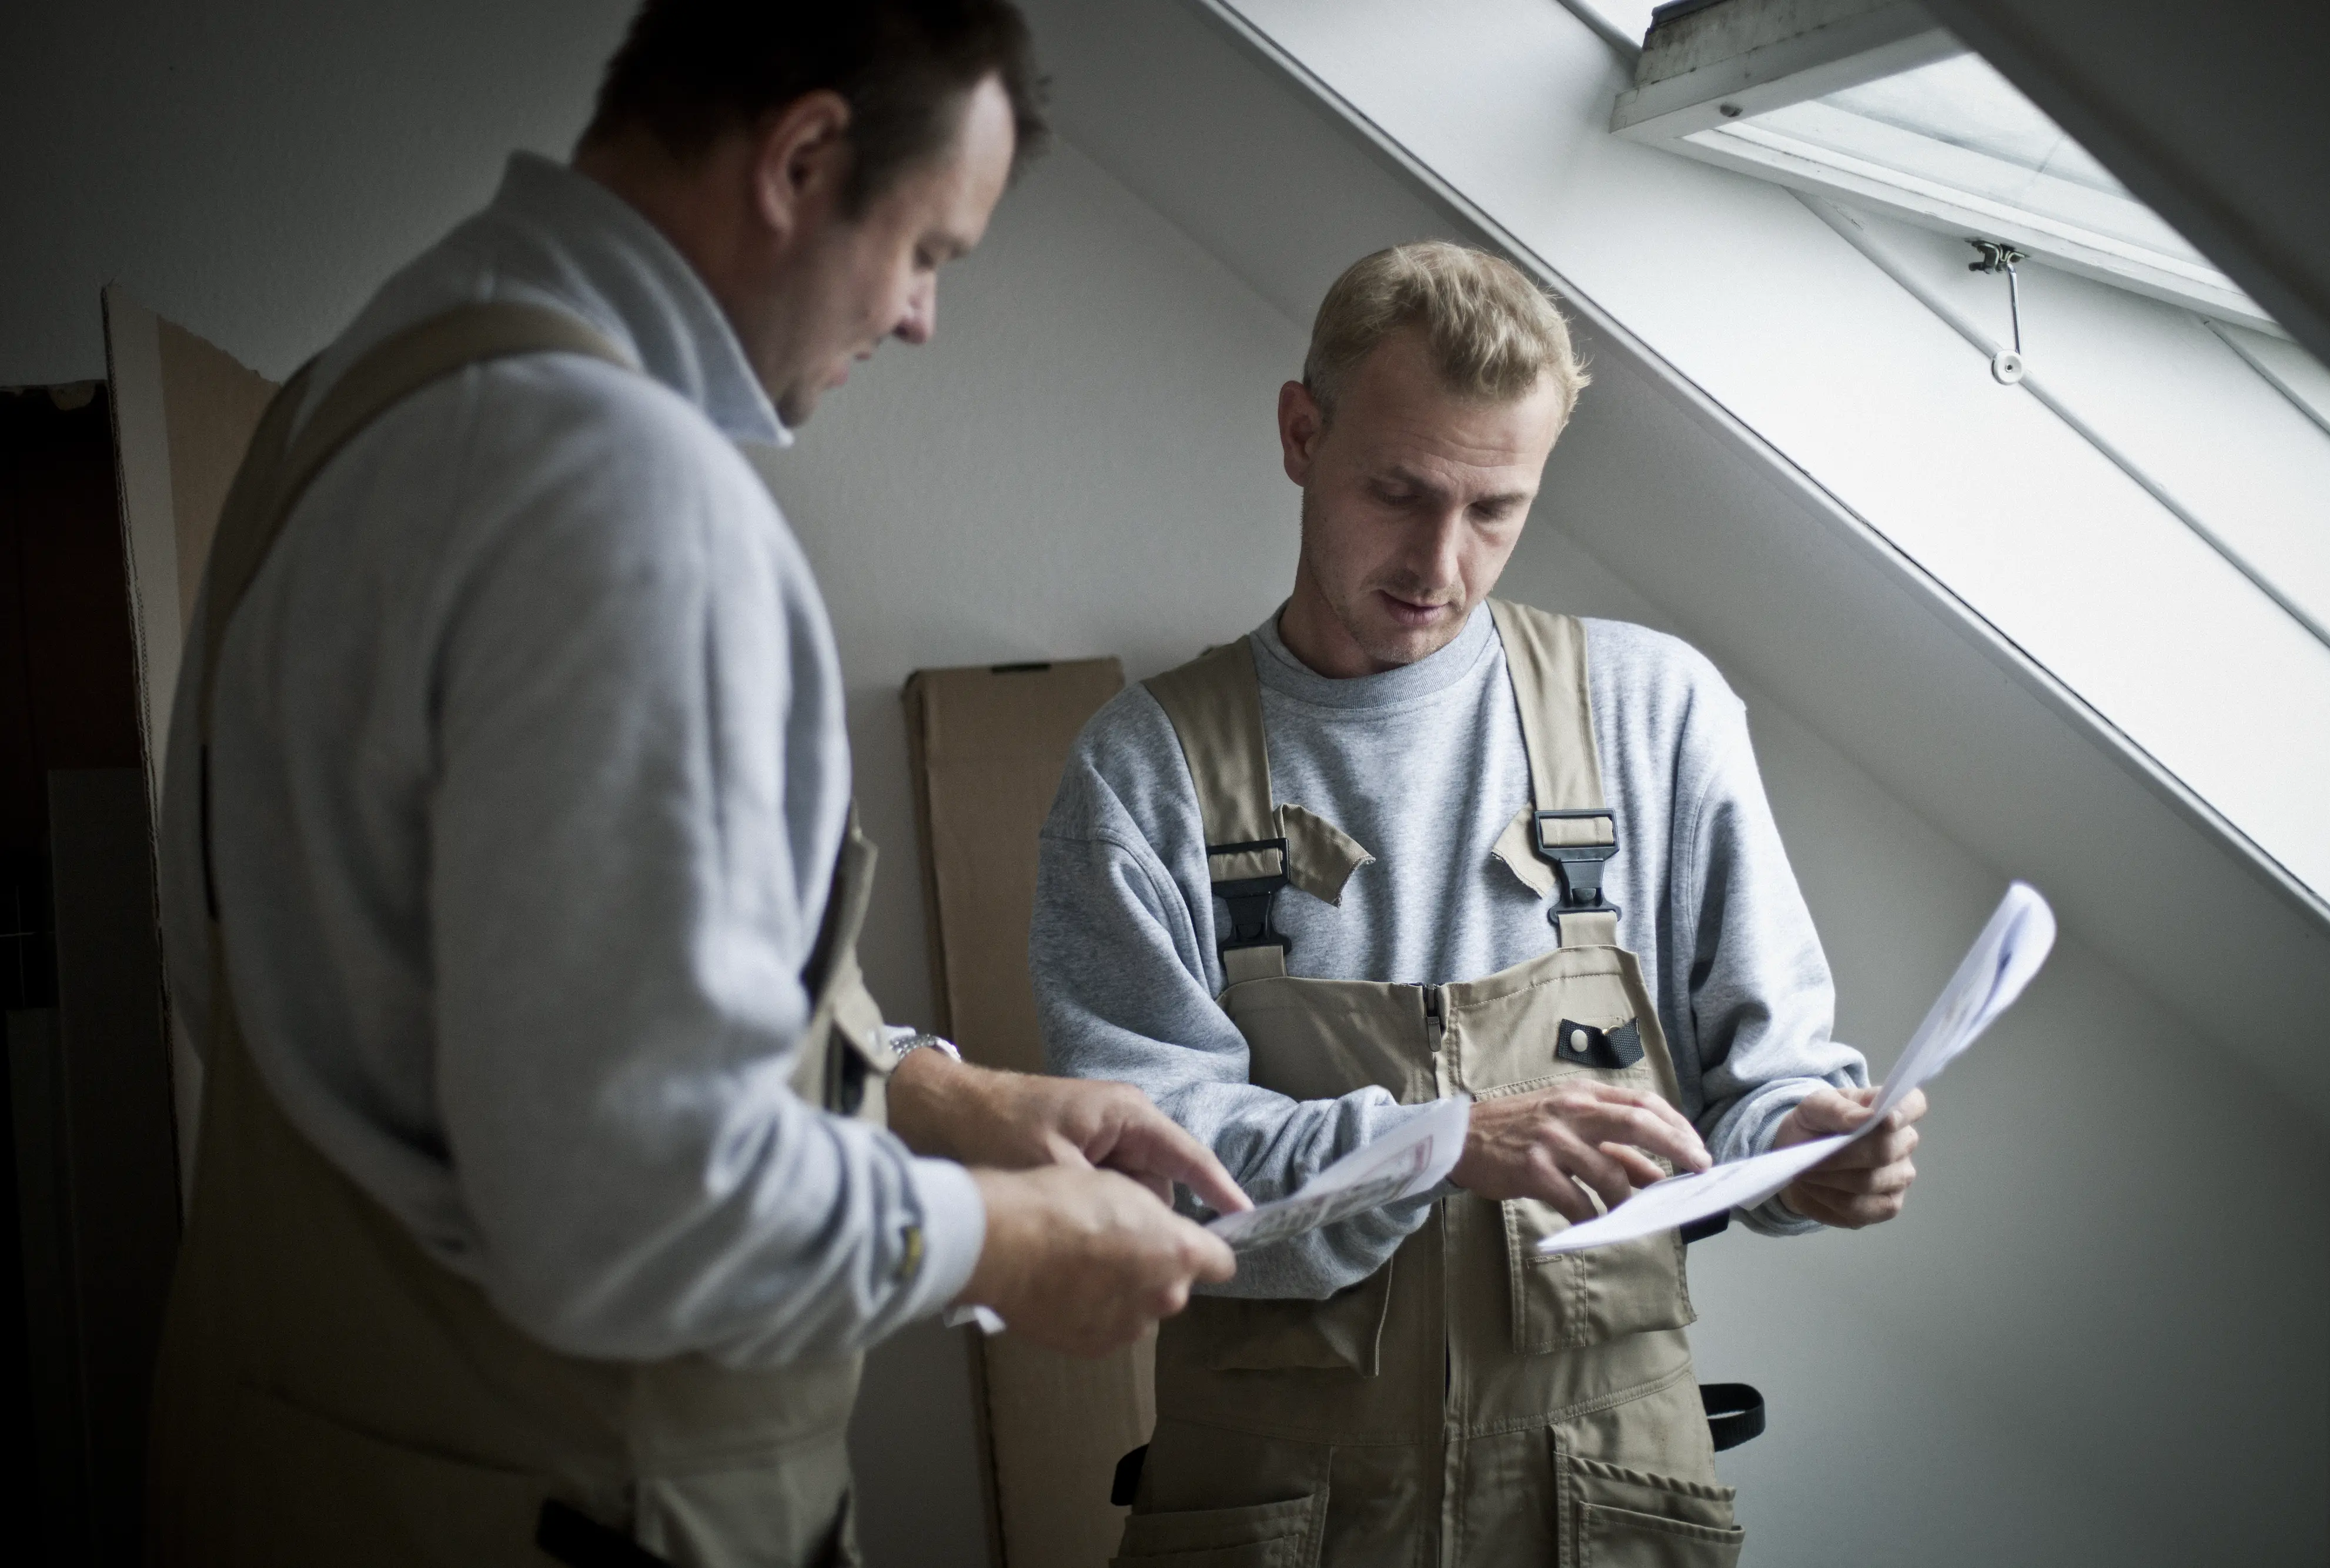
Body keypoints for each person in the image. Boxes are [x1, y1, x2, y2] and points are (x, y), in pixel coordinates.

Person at [145, 4, 1246, 1565]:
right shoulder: (628, 496)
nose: (925, 318)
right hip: (573, 1509)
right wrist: (1008, 1239)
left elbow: (299, 979)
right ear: (801, 157)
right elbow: (644, 1207)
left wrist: (946, 1095)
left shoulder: (354, 396)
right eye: (930, 250)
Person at [1031, 241, 1930, 1565]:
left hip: (1598, 1499)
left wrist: (1815, 1147)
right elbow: (1145, 1170)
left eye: (1494, 509)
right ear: (1300, 433)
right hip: (1282, 1507)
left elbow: (1761, 1085)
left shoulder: (1652, 713)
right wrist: (1439, 1140)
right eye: (1397, 491)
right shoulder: (1140, 769)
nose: (1438, 563)